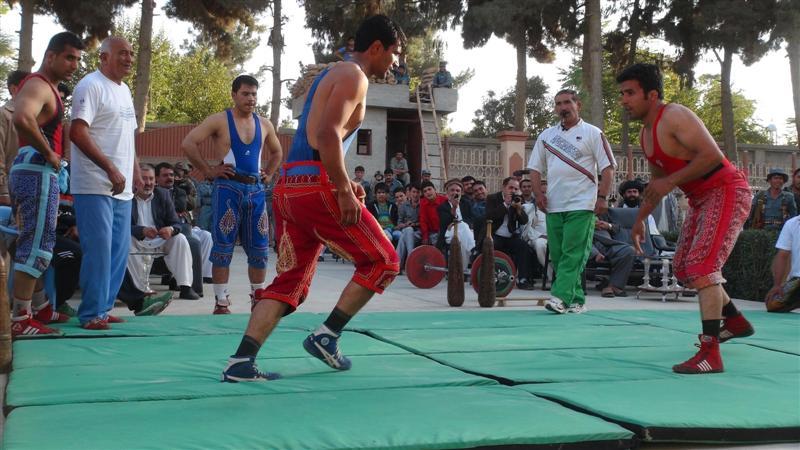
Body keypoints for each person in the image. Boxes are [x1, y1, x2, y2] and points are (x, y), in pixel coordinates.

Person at [220, 15, 403, 382]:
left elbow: (318, 139)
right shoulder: (355, 75)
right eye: (395, 53)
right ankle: (327, 335)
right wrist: (341, 188)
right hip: (315, 188)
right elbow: (328, 135)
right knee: (384, 261)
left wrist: (345, 181)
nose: (396, 63)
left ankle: (241, 361)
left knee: (290, 282)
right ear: (377, 47)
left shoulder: (333, 73)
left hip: (290, 186)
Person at [618, 63, 754, 374]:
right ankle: (734, 320)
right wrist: (639, 220)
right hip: (700, 198)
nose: (624, 100)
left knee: (703, 267)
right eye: (622, 94)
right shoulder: (646, 134)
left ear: (652, 95)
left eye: (630, 93)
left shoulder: (675, 115)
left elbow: (712, 155)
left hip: (726, 190)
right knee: (682, 268)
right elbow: (657, 184)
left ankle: (710, 353)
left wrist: (670, 180)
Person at [182, 74, 283, 314]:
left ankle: (257, 297)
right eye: (245, 94)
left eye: (254, 94)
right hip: (228, 189)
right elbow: (188, 143)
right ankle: (221, 300)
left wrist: (269, 173)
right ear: (234, 95)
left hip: (256, 191)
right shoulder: (219, 120)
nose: (251, 99)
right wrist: (208, 170)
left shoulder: (265, 124)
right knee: (223, 246)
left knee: (260, 248)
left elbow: (277, 152)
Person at [9, 32, 84, 336]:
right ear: (50, 56)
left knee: (40, 241)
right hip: (37, 171)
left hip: (35, 170)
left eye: (77, 59)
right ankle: (21, 318)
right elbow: (22, 118)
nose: (74, 65)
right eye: (69, 57)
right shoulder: (38, 85)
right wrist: (49, 153)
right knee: (35, 245)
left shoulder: (47, 87)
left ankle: (39, 307)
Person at [69, 36, 142, 329]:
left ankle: (103, 307)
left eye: (131, 54)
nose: (129, 59)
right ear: (104, 57)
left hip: (122, 187)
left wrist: (136, 170)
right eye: (122, 53)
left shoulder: (124, 90)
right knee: (99, 250)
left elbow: (128, 138)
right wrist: (110, 168)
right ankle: (90, 313)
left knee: (118, 252)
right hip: (94, 184)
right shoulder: (91, 85)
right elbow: (77, 132)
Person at [528, 88, 616, 315]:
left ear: (578, 105)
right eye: (558, 104)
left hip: (582, 203)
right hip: (554, 204)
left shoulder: (593, 133)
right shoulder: (546, 136)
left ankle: (559, 297)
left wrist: (602, 197)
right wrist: (538, 194)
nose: (563, 107)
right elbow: (534, 168)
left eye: (567, 102)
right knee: (558, 255)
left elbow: (607, 168)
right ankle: (576, 299)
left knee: (573, 252)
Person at [128, 165, 197, 302]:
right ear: (135, 180)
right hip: (137, 239)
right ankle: (140, 289)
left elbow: (176, 223)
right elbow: (121, 226)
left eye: (151, 179)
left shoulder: (163, 195)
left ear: (155, 181)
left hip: (159, 238)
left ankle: (185, 287)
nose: (148, 183)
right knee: (126, 240)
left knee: (180, 239)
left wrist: (170, 229)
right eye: (144, 178)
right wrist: (141, 230)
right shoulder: (127, 197)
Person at [154, 162, 208, 297]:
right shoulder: (150, 192)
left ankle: (189, 287)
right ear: (156, 178)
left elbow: (181, 207)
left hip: (178, 228)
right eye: (165, 175)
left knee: (192, 242)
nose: (170, 178)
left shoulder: (180, 191)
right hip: (152, 231)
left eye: (171, 175)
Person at [480, 177, 534, 289]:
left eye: (516, 189)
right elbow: (489, 216)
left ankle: (522, 279)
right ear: (504, 187)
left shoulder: (518, 199)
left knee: (524, 247)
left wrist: (518, 209)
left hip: (510, 236)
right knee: (491, 246)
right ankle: (489, 277)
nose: (513, 191)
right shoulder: (492, 198)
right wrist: (505, 204)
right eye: (511, 188)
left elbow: (524, 221)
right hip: (494, 235)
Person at [1, 70, 29, 207]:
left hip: (30, 187)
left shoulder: (34, 116)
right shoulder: (4, 115)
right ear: (14, 89)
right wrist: (3, 191)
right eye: (28, 86)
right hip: (9, 190)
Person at [436, 179, 474, 273]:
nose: (455, 193)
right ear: (447, 192)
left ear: (461, 193)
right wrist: (454, 208)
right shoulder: (442, 207)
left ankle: (461, 270)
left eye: (457, 190)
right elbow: (445, 223)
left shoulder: (466, 203)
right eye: (452, 190)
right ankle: (473, 249)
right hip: (449, 232)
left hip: (464, 232)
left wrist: (460, 223)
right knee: (463, 226)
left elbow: (471, 219)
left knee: (461, 240)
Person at [765, 215, 800, 313]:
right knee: (772, 304)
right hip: (797, 281)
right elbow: (782, 255)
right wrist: (777, 285)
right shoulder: (792, 223)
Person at [395, 182, 421, 272]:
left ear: (420, 193)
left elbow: (425, 222)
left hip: (419, 232)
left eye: (418, 192)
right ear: (409, 193)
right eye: (413, 192)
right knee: (408, 230)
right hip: (406, 230)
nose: (415, 195)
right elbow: (399, 224)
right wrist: (406, 224)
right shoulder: (403, 206)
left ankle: (397, 265)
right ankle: (411, 261)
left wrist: (415, 224)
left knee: (404, 237)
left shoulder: (423, 205)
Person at [419, 180, 447, 246]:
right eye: (425, 191)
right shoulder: (423, 203)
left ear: (435, 189)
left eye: (429, 189)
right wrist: (425, 236)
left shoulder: (444, 200)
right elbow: (423, 221)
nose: (428, 192)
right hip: (431, 233)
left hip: (445, 231)